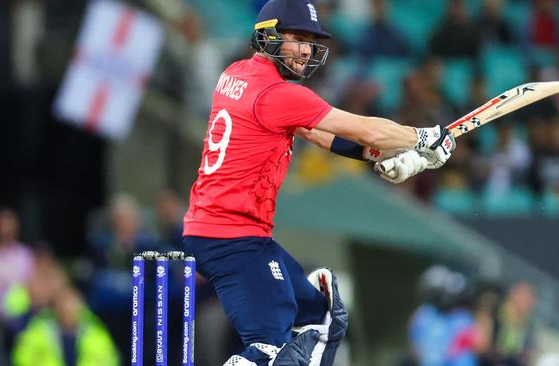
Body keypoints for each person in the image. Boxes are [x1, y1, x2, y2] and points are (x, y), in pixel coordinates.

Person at [182, 0, 456, 365]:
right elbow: (366, 128)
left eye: (311, 42)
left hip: (222, 231)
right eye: (297, 38)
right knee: (269, 350)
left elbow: (318, 134)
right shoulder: (280, 95)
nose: (306, 51)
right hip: (234, 238)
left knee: (323, 316)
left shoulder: (236, 75)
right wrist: (423, 138)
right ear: (269, 36)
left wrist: (379, 157)